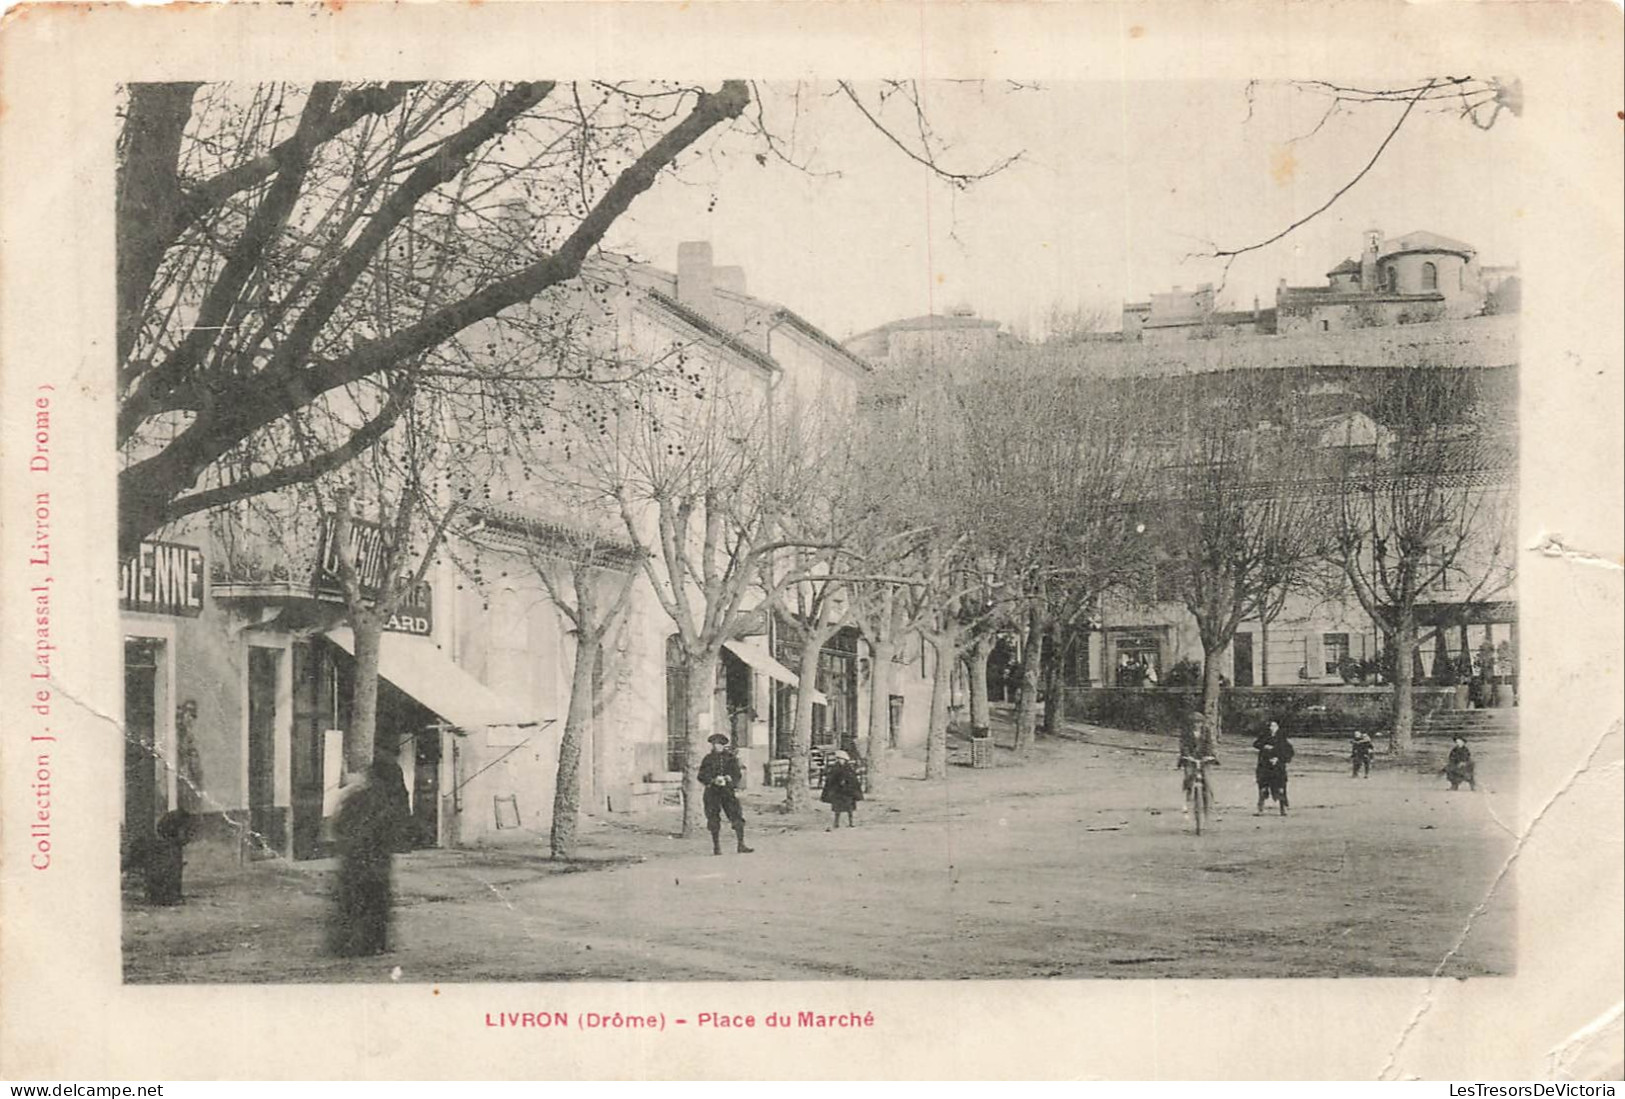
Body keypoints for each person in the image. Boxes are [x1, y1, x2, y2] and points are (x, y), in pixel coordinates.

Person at [329, 756, 414, 957]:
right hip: (376, 859)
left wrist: (348, 843)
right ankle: (375, 943)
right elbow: (397, 829)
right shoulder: (389, 801)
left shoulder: (356, 797)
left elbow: (339, 825)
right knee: (376, 901)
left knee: (354, 901)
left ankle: (349, 944)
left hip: (355, 858)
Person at [698, 733, 753, 856]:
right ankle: (716, 847)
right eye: (715, 744)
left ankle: (741, 844)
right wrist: (712, 780)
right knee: (713, 819)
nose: (717, 746)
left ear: (723, 745)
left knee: (736, 815)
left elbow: (737, 774)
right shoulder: (707, 759)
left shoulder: (730, 758)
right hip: (712, 792)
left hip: (727, 792)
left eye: (719, 744)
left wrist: (730, 778)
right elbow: (701, 775)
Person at [1176, 712, 1219, 816]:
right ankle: (1188, 794)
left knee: (1207, 781)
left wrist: (1209, 755)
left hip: (1204, 758)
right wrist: (1187, 755)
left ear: (1202, 723)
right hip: (1190, 758)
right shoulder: (1186, 733)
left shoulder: (1206, 731)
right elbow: (1184, 745)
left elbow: (1209, 744)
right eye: (1194, 722)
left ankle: (1210, 806)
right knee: (1189, 775)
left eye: (1199, 722)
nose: (1196, 724)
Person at [1252, 719, 1295, 816]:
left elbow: (1289, 752)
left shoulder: (1282, 739)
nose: (1272, 728)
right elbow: (1256, 744)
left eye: (1274, 726)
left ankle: (1283, 808)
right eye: (1271, 726)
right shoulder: (1264, 737)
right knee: (1263, 788)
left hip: (1278, 767)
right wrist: (1264, 746)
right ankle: (1260, 809)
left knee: (1280, 788)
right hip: (1265, 766)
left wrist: (1279, 759)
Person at [820, 749, 864, 830]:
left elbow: (853, 780)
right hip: (838, 792)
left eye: (841, 759)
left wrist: (849, 785)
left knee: (850, 808)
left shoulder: (849, 769)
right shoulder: (835, 768)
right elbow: (831, 779)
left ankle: (851, 822)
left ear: (845, 759)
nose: (840, 761)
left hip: (848, 792)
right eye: (838, 759)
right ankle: (836, 823)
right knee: (837, 809)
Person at [174, 699, 205, 814]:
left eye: (193, 715)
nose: (190, 718)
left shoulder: (190, 736)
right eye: (187, 713)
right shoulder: (179, 736)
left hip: (191, 778)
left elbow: (196, 766)